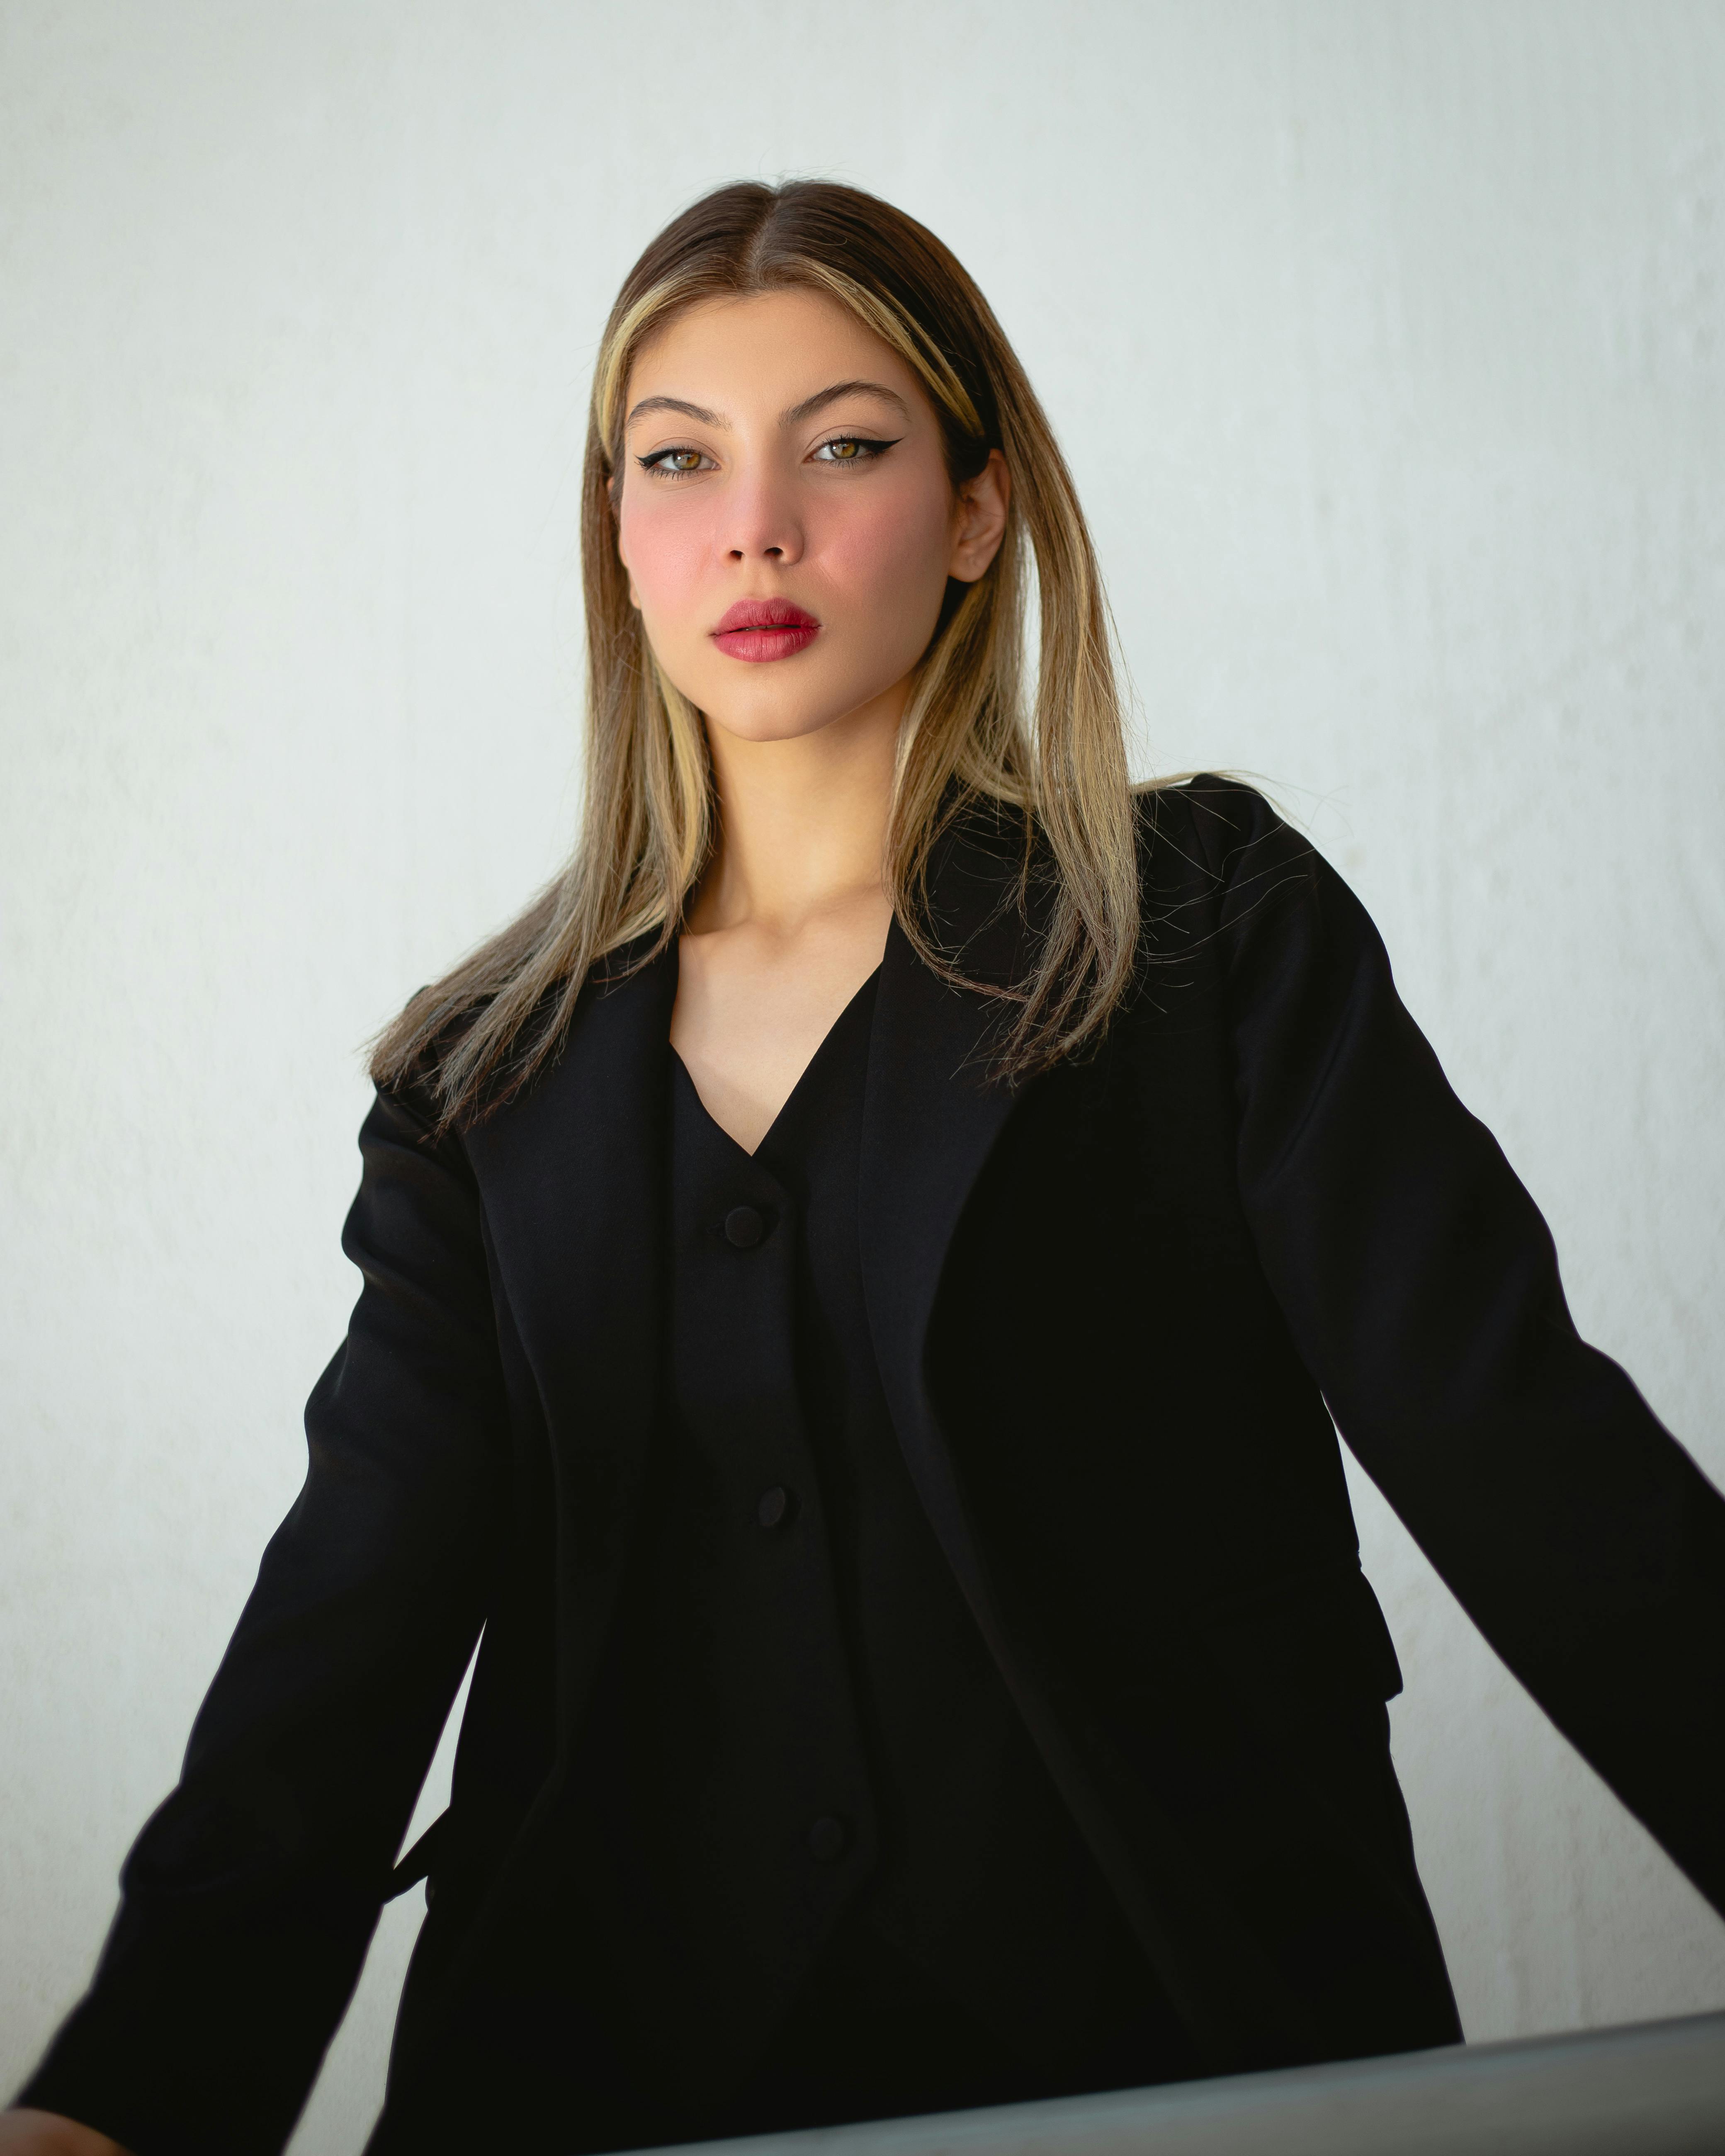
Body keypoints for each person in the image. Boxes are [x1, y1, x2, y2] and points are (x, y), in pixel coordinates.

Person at [7, 177, 1724, 2156]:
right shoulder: (477, 1088)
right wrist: (116, 2107)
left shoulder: (1202, 931)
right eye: (678, 461)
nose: (756, 521)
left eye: (842, 444)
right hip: (591, 2092)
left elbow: (1532, 1459)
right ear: (622, 549)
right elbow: (342, 1635)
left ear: (976, 513)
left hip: (1194, 2072)